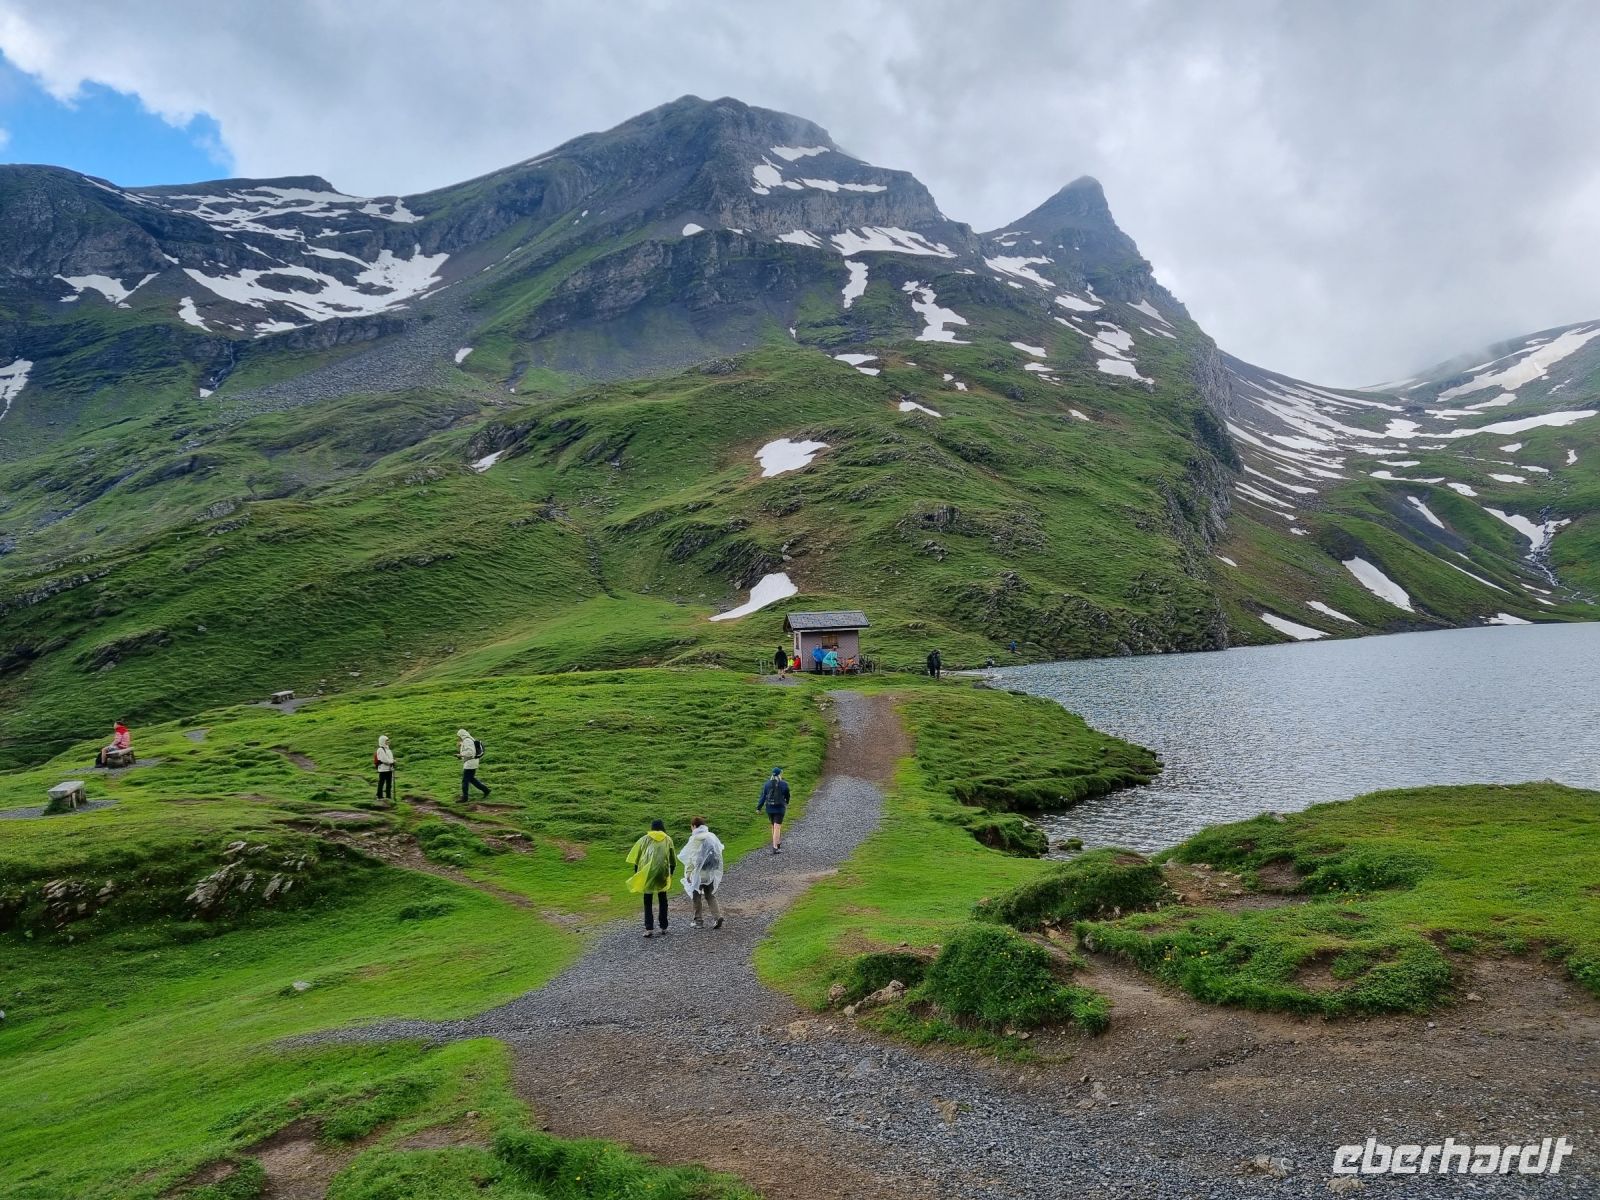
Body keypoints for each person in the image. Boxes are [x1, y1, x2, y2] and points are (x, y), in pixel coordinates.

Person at [627, 818, 677, 937]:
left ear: (652, 828)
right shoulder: (668, 839)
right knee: (663, 898)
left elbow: (637, 858)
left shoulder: (644, 839)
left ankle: (649, 928)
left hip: (648, 872)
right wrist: (671, 873)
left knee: (648, 899)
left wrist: (637, 873)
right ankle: (664, 927)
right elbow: (672, 859)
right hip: (662, 872)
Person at [678, 816, 725, 929]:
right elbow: (719, 851)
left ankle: (698, 921)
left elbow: (691, 858)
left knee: (696, 896)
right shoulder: (711, 837)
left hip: (698, 873)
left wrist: (688, 873)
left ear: (694, 826)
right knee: (710, 895)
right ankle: (717, 916)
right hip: (710, 872)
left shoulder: (694, 839)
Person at [758, 766, 790, 854]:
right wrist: (787, 802)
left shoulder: (767, 784)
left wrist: (759, 808)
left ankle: (777, 843)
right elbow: (787, 794)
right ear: (779, 774)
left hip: (769, 807)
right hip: (779, 807)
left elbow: (763, 796)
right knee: (777, 826)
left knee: (773, 826)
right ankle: (775, 847)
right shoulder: (783, 784)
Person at [457, 728, 490, 801]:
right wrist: (460, 746)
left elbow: (470, 752)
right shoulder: (468, 739)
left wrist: (461, 755)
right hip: (472, 762)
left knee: (465, 780)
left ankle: (465, 798)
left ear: (461, 735)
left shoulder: (467, 740)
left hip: (470, 763)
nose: (458, 737)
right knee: (471, 779)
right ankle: (486, 790)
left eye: (458, 736)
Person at [374, 735, 395, 800]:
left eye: (388, 740)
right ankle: (379, 796)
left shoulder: (388, 749)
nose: (388, 741)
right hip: (383, 769)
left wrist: (392, 761)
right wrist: (392, 761)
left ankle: (388, 797)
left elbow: (389, 759)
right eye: (386, 740)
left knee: (389, 783)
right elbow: (384, 760)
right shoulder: (380, 749)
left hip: (389, 769)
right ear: (382, 741)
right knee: (381, 783)